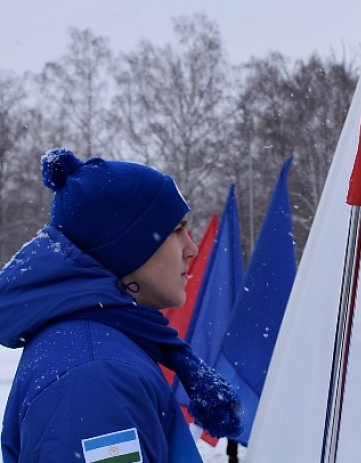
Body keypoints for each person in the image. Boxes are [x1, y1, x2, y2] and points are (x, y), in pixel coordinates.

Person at [0, 148, 242, 462]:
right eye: (176, 230)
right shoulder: (95, 377)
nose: (192, 249)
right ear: (126, 249)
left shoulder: (100, 346)